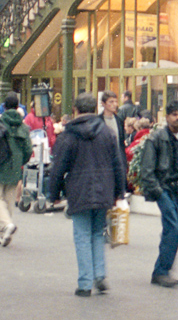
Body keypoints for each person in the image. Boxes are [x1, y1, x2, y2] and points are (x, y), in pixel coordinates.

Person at [47, 93, 126, 296]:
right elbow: (118, 164)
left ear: (76, 110)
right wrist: (119, 191)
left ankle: (84, 283)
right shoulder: (107, 133)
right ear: (95, 108)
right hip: (104, 190)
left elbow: (58, 167)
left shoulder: (69, 135)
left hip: (79, 190)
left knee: (82, 235)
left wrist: (53, 193)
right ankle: (99, 274)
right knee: (97, 233)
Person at [139, 100, 178, 288]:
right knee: (172, 225)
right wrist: (157, 191)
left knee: (176, 230)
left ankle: (162, 269)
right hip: (164, 188)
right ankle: (161, 271)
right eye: (175, 114)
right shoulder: (155, 138)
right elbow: (147, 170)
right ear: (167, 117)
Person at [0, 94, 32, 247]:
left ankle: (5, 226)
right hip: (14, 166)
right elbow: (28, 150)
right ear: (18, 107)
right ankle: (3, 233)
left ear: (4, 106)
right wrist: (20, 162)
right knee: (8, 200)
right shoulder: (23, 127)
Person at [99, 91, 126, 170]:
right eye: (111, 102)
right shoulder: (98, 121)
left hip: (118, 161)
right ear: (103, 104)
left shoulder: (119, 120)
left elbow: (121, 142)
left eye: (116, 101)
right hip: (103, 161)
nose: (115, 104)